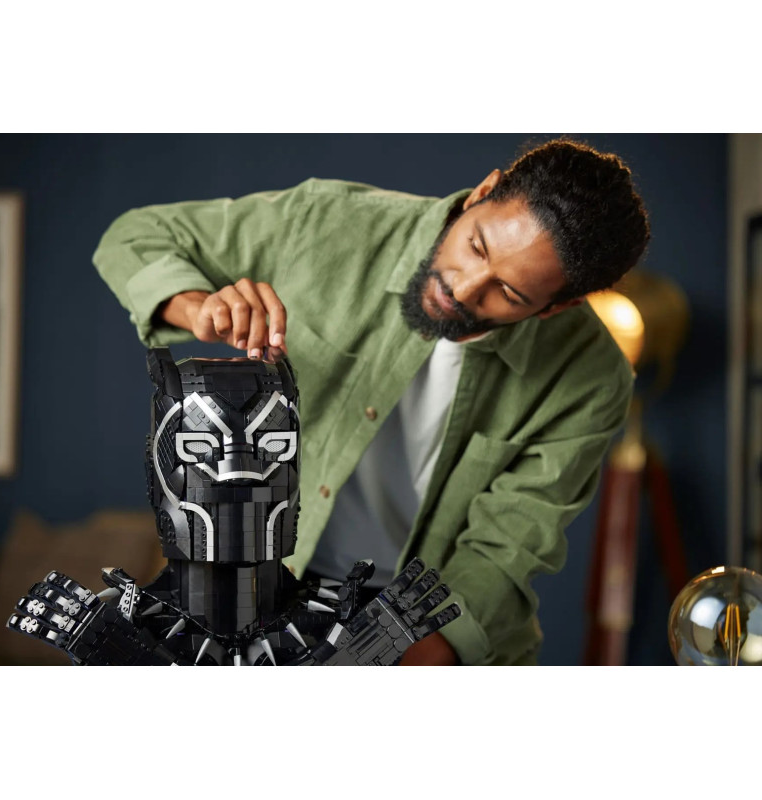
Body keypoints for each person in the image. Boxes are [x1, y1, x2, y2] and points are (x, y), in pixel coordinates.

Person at [93, 138, 650, 666]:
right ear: (482, 193)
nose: (464, 287)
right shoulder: (329, 221)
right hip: (264, 599)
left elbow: (504, 552)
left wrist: (381, 662)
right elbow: (133, 237)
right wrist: (199, 308)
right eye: (476, 246)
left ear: (555, 307)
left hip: (427, 635)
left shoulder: (592, 377)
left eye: (508, 292)